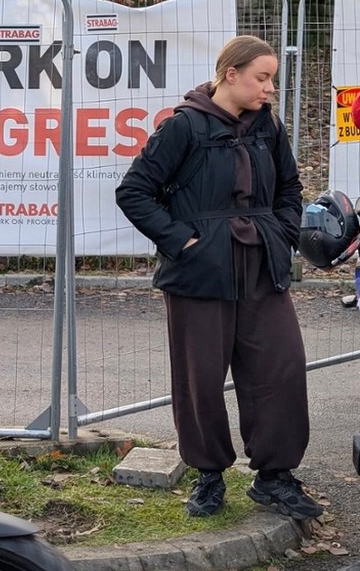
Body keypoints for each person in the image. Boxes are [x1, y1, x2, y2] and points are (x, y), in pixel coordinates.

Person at [116, 35, 322, 520]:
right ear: (231, 74)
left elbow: (289, 187)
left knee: (281, 368)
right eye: (262, 77)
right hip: (200, 272)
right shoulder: (183, 126)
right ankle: (209, 476)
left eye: (272, 79)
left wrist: (283, 232)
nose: (270, 88)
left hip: (262, 265)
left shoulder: (268, 126)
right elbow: (134, 192)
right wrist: (183, 241)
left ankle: (274, 477)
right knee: (200, 377)